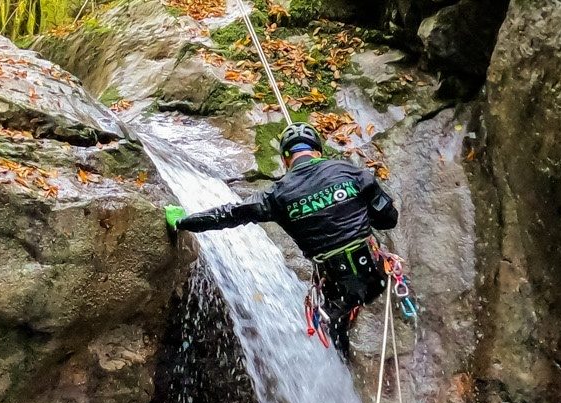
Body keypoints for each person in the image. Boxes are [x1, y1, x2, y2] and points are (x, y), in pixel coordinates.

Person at [165, 123, 400, 355]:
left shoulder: (276, 195)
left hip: (336, 285)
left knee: (335, 318)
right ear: (318, 152)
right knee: (356, 286)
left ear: (286, 160)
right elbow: (388, 220)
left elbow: (229, 214)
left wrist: (184, 221)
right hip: (374, 277)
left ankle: (343, 350)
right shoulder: (353, 173)